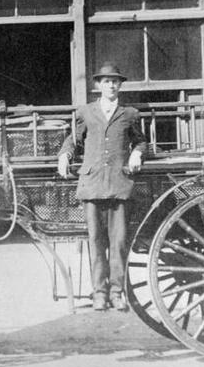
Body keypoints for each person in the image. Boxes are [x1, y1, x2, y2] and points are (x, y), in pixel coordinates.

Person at [56, 62, 147, 312]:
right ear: (98, 85)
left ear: (120, 85)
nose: (111, 85)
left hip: (119, 183)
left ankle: (117, 293)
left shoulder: (129, 114)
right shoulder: (86, 112)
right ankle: (99, 293)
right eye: (107, 81)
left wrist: (137, 154)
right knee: (96, 242)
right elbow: (72, 140)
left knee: (118, 242)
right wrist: (64, 155)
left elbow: (140, 142)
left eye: (115, 81)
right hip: (93, 184)